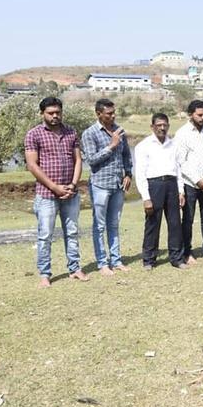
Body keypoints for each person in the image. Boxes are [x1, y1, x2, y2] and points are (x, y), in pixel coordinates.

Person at [24, 97, 89, 288]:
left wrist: (73, 184)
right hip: (46, 194)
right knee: (45, 235)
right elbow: (32, 165)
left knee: (72, 231)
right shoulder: (34, 134)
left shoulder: (70, 132)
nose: (55, 116)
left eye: (58, 112)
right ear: (42, 113)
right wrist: (54, 187)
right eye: (50, 113)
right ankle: (45, 274)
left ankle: (75, 268)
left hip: (70, 192)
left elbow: (78, 160)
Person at [81, 98, 133, 275]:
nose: (113, 116)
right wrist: (111, 146)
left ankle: (116, 260)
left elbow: (126, 155)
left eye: (114, 112)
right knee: (99, 226)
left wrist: (128, 173)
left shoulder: (120, 131)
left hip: (117, 185)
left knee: (114, 223)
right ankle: (102, 263)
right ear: (98, 114)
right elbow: (91, 160)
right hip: (100, 185)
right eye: (109, 113)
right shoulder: (90, 133)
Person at [135, 113, 187, 270]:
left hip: (171, 184)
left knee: (175, 223)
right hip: (154, 185)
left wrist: (181, 191)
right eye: (159, 125)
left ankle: (177, 258)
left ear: (168, 126)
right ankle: (149, 259)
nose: (162, 128)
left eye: (165, 125)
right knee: (152, 223)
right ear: (152, 127)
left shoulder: (174, 145)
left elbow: (179, 170)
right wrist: (146, 197)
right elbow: (140, 174)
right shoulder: (143, 146)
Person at [175, 100, 203, 262]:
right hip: (191, 184)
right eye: (199, 115)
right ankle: (187, 252)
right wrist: (198, 180)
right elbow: (181, 162)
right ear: (190, 115)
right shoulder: (182, 134)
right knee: (188, 219)